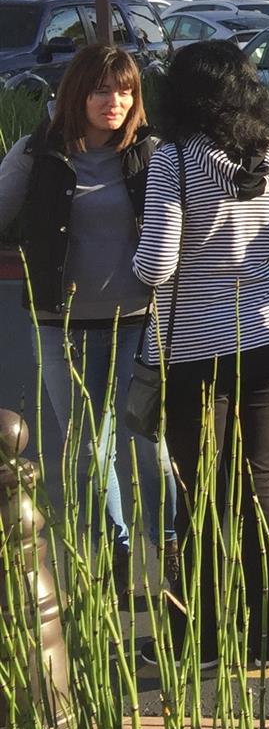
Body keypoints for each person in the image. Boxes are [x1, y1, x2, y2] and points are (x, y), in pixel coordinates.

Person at [132, 40, 269, 671]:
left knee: (199, 488)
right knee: (258, 480)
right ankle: (268, 639)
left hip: (193, 348)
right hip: (266, 337)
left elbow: (156, 264)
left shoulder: (174, 160)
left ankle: (201, 636)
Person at [0, 44, 172, 604]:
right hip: (63, 325)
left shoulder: (152, 154)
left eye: (126, 90)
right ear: (77, 94)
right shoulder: (37, 153)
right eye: (103, 90)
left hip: (140, 322)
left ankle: (170, 551)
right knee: (89, 450)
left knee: (152, 445)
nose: (116, 102)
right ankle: (113, 557)